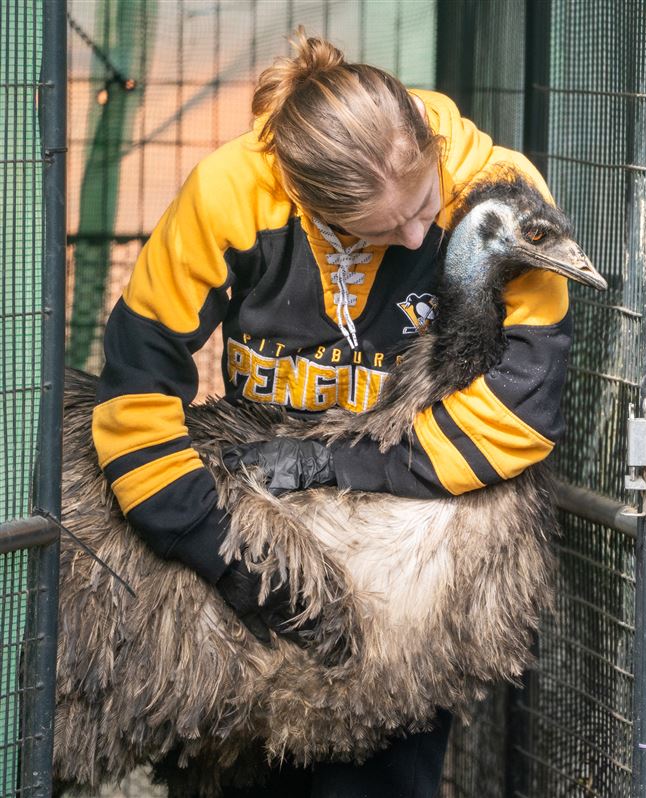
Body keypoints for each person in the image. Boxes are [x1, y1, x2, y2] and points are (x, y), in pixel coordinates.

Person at [91, 29, 573, 797]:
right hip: (264, 497)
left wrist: (344, 464)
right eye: (379, 230)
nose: (417, 236)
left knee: (383, 770)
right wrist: (218, 549)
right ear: (305, 201)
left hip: (409, 521)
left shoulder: (496, 197)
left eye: (422, 206)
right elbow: (135, 391)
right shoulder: (233, 193)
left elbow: (522, 410)